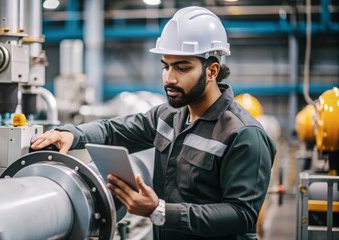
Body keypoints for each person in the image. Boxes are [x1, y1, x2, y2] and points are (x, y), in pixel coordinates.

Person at [31, 6, 276, 240]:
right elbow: (112, 130)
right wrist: (71, 134)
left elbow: (241, 215)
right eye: (166, 66)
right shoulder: (169, 116)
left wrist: (160, 210)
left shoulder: (243, 134)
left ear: (212, 71)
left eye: (182, 68)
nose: (169, 78)